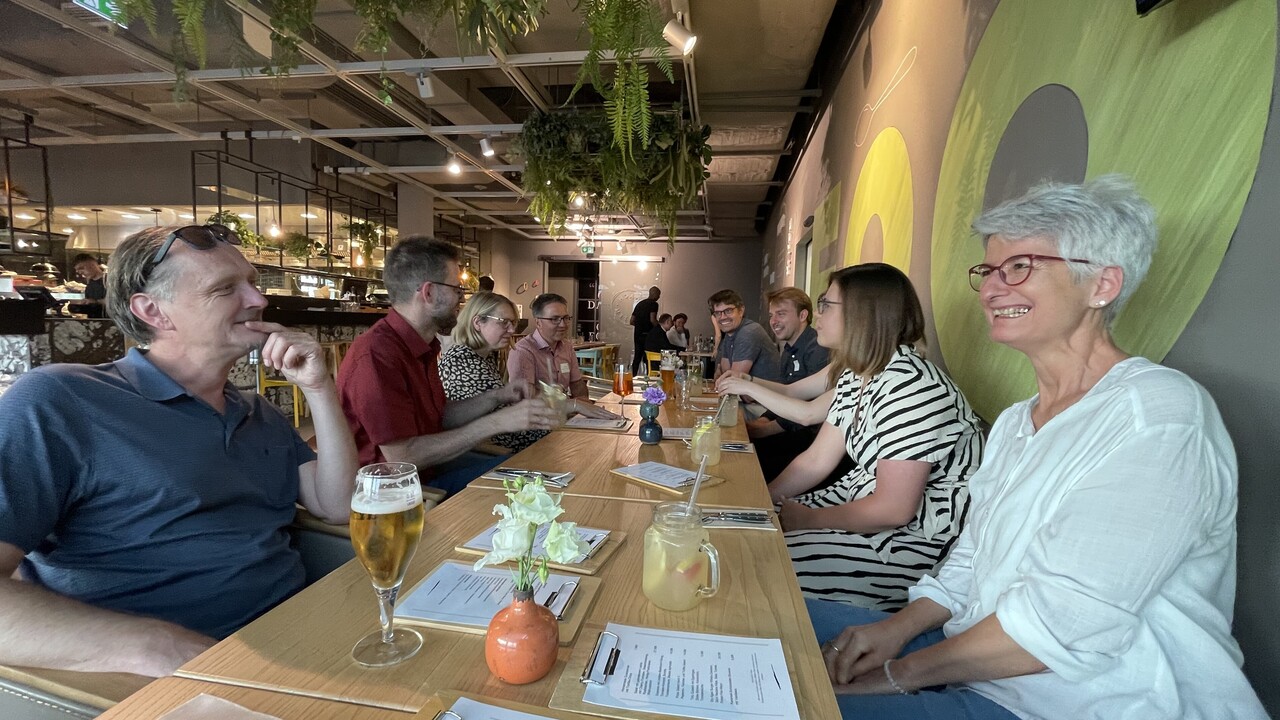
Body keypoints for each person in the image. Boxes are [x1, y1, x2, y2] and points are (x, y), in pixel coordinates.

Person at [809, 177, 1267, 719]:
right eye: (988, 271)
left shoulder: (1159, 417)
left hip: (1078, 704)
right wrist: (894, 629)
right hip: (970, 666)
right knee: (759, 619)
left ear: (1102, 284)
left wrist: (896, 674)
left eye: (1019, 267)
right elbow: (972, 559)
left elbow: (1054, 628)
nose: (990, 290)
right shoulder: (1014, 422)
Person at [0, 224, 359, 676]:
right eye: (226, 288)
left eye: (251, 282)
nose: (258, 300)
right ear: (153, 310)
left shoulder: (258, 412)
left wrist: (319, 386)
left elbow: (339, 504)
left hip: (302, 640)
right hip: (174, 680)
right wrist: (153, 645)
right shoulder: (59, 400)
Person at [767, 263, 983, 610]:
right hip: (861, 501)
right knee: (749, 536)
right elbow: (815, 460)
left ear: (863, 314)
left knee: (764, 566)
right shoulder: (859, 374)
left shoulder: (912, 386)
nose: (817, 314)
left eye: (826, 304)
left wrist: (809, 520)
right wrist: (761, 501)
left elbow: (895, 508)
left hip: (917, 539)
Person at [338, 237, 557, 496]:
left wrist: (498, 395)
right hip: (397, 495)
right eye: (457, 289)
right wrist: (497, 422)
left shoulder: (424, 346)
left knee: (538, 470)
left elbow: (441, 417)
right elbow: (403, 458)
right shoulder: (377, 356)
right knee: (535, 483)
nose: (460, 299)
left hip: (432, 471)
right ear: (429, 293)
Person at [729, 287, 832, 479]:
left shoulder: (819, 349)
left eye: (781, 314)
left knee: (740, 464)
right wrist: (762, 420)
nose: (773, 321)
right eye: (771, 315)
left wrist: (761, 428)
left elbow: (807, 414)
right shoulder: (789, 349)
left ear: (803, 315)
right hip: (798, 436)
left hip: (810, 444)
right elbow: (787, 392)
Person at [439, 291, 548, 454]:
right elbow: (477, 438)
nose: (511, 330)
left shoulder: (484, 357)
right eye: (504, 322)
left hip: (516, 447)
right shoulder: (462, 361)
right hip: (495, 458)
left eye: (513, 323)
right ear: (477, 322)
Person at [508, 292, 622, 419]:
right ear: (538, 322)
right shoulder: (523, 351)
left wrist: (584, 406)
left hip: (565, 417)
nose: (563, 325)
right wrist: (575, 405)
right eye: (554, 319)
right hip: (538, 422)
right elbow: (525, 398)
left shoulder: (566, 347)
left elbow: (577, 384)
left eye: (566, 318)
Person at [708, 288, 780, 381]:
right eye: (718, 313)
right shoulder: (729, 335)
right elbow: (723, 374)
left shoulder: (748, 332)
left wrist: (723, 377)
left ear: (741, 311)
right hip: (747, 394)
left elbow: (733, 381)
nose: (723, 317)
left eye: (728, 311)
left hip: (766, 394)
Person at [629, 286, 660, 376]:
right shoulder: (654, 304)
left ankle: (633, 376)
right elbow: (652, 319)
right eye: (659, 295)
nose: (659, 297)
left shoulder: (639, 304)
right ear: (655, 294)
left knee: (637, 357)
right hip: (648, 334)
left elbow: (631, 321)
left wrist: (640, 325)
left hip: (638, 334)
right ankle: (649, 377)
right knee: (648, 357)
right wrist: (659, 329)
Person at [71, 252, 107, 318]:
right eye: (77, 270)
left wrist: (96, 302)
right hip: (93, 323)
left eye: (81, 268)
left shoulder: (109, 281)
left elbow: (117, 302)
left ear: (93, 264)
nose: (80, 272)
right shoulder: (89, 284)